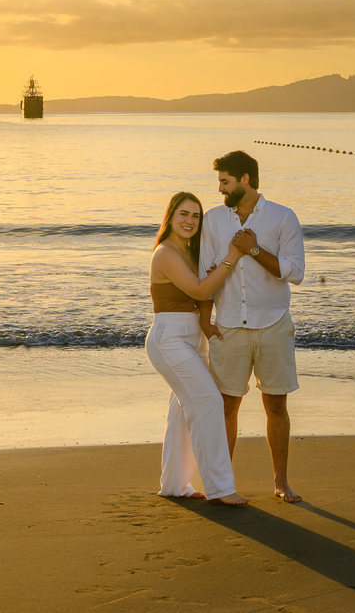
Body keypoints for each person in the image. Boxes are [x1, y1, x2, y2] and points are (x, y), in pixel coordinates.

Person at [198, 151, 306, 503]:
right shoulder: (213, 221)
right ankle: (223, 484)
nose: (219, 189)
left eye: (224, 182)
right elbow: (205, 274)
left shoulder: (282, 217)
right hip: (228, 326)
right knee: (227, 407)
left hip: (274, 324)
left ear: (245, 179)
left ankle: (281, 482)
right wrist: (205, 317)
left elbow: (297, 272)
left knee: (276, 406)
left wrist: (254, 249)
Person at [147, 191, 247, 506]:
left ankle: (175, 484)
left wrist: (206, 320)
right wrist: (233, 255)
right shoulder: (165, 253)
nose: (190, 221)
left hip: (193, 337)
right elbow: (201, 288)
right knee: (208, 402)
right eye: (184, 214)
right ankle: (221, 489)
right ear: (171, 217)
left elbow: (205, 296)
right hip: (170, 338)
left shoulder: (191, 251)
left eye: (196, 215)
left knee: (182, 411)